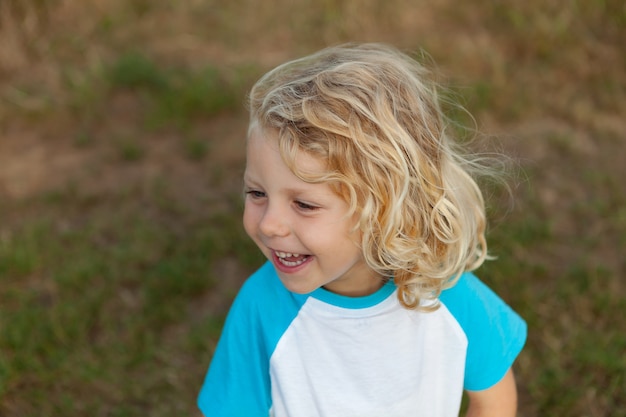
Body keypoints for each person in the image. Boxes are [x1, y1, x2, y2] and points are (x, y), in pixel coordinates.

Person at [197, 43, 527, 417]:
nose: (269, 224)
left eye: (304, 204)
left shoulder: (446, 295)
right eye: (257, 193)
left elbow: (493, 396)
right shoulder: (262, 306)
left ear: (384, 210)